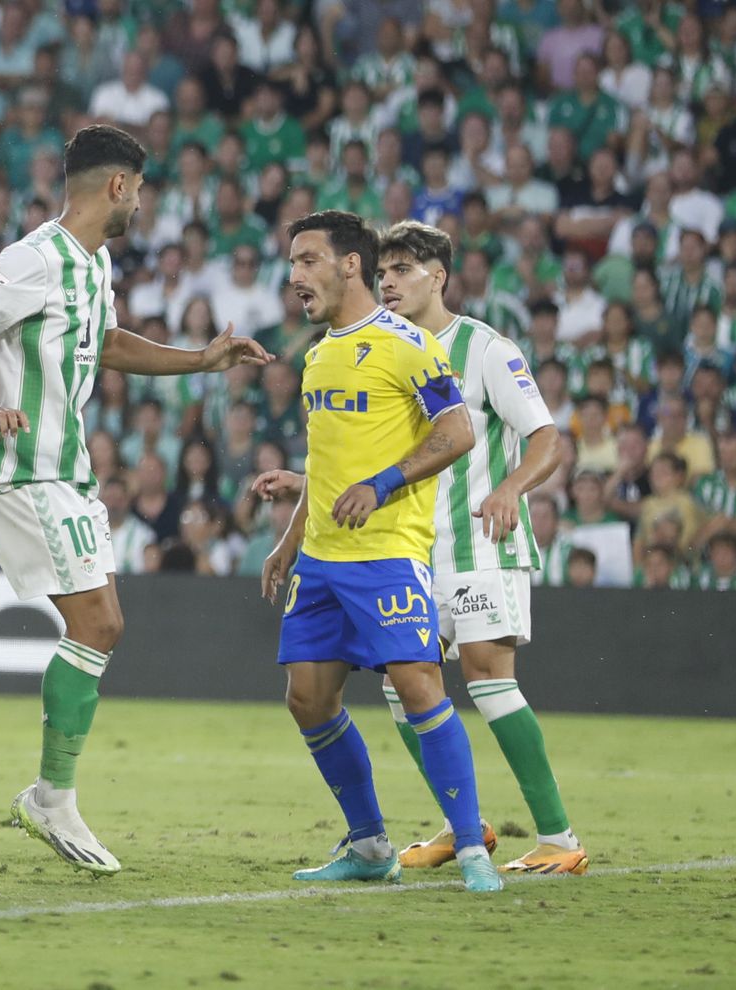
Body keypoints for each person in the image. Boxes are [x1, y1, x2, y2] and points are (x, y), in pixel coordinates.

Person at [0, 123, 272, 874]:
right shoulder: (33, 257)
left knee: (99, 628)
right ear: (118, 186)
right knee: (100, 620)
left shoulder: (96, 262)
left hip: (72, 468)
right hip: (26, 464)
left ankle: (52, 794)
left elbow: (109, 344)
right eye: (142, 189)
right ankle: (52, 797)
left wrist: (201, 361)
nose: (143, 203)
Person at [254, 210, 501, 893]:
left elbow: (456, 433)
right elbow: (324, 459)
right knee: (307, 698)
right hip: (323, 560)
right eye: (293, 261)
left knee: (419, 683)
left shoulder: (409, 344)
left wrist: (383, 483)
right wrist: (289, 540)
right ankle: (368, 844)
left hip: (390, 550)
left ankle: (474, 847)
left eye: (307, 260)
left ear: (349, 265)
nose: (295, 275)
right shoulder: (317, 354)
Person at [369, 221, 584, 875]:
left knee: (489, 681)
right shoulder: (386, 350)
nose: (387, 281)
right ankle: (463, 826)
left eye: (401, 268)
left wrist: (510, 490)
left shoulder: (486, 349)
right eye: (382, 272)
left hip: (477, 546)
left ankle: (559, 838)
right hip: (409, 550)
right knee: (405, 690)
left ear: (438, 274)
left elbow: (547, 437)